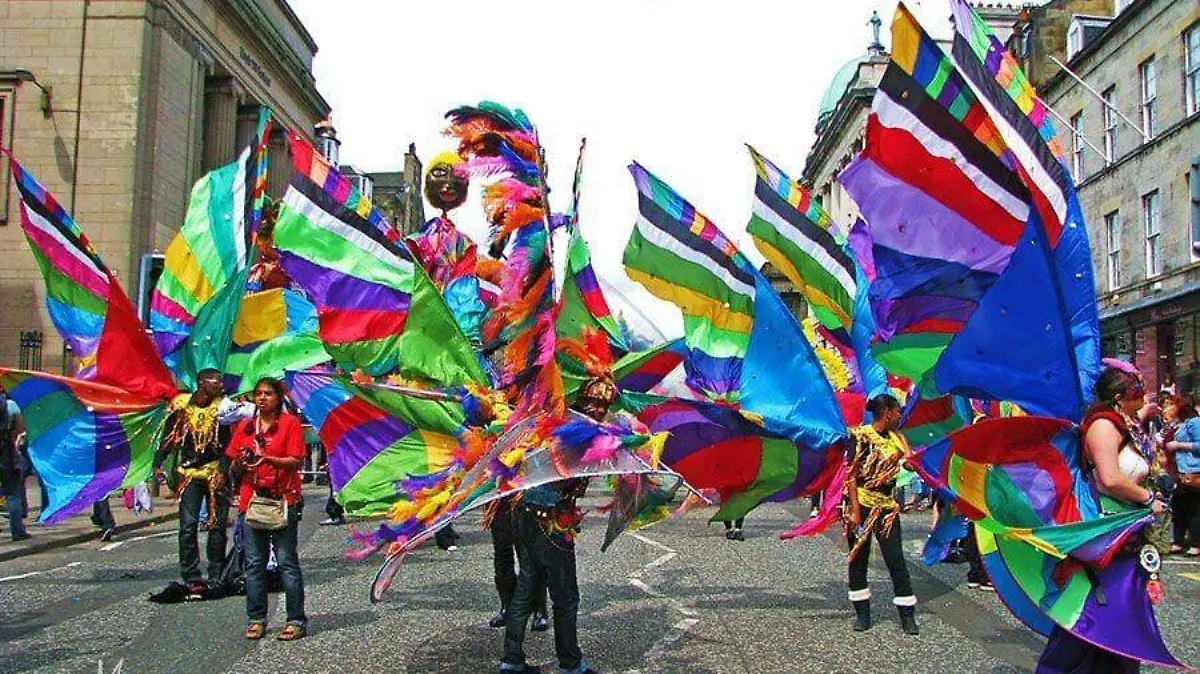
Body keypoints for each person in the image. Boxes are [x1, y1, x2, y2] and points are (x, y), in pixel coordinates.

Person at [1037, 364, 1167, 673]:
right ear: (1120, 397)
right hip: (1105, 537)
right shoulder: (1103, 426)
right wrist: (1148, 499)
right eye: (1138, 389)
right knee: (1095, 617)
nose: (1144, 393)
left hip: (1128, 533)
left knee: (1119, 617)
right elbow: (1110, 479)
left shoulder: (1125, 424)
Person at [499, 374, 615, 674]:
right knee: (565, 596)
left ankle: (511, 660)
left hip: (524, 512)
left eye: (605, 404)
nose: (600, 409)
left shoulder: (556, 419)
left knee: (526, 587)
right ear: (583, 401)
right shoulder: (582, 432)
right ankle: (570, 664)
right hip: (549, 521)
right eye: (594, 402)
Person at [226, 377, 307, 641]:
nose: (262, 398)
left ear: (278, 398)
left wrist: (268, 458)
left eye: (268, 393)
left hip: (283, 500)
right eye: (258, 394)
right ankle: (256, 619)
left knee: (286, 562)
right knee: (254, 564)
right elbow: (234, 464)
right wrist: (242, 461)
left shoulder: (290, 424)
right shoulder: (246, 426)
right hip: (252, 501)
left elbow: (296, 461)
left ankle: (295, 619)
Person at [845, 393, 918, 635]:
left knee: (896, 559)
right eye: (898, 412)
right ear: (887, 413)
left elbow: (910, 463)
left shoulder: (899, 439)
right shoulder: (860, 436)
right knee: (858, 558)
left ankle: (907, 616)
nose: (900, 416)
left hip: (887, 507)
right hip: (862, 505)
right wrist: (855, 511)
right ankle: (862, 615)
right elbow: (851, 475)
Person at [157, 368, 234, 595]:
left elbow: (231, 443)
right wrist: (157, 462)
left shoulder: (225, 407)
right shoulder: (182, 406)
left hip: (216, 475)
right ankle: (191, 575)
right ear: (201, 383)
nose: (220, 385)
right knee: (188, 527)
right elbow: (169, 437)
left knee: (217, 526)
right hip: (190, 475)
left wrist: (223, 470)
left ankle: (216, 573)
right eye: (215, 381)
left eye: (221, 381)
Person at [488, 495, 549, 631]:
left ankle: (539, 609)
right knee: (502, 553)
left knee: (529, 555)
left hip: (526, 495)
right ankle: (507, 606)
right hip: (498, 496)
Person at [1165, 394, 1200, 556]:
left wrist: (1178, 445)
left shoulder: (1194, 422)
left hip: (1193, 471)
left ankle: (1195, 543)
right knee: (1178, 508)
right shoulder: (1181, 424)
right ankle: (1177, 541)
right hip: (1180, 471)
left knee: (1194, 509)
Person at [0, 387, 30, 541]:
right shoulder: (11, 405)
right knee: (12, 494)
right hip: (7, 456)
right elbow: (21, 429)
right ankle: (17, 531)